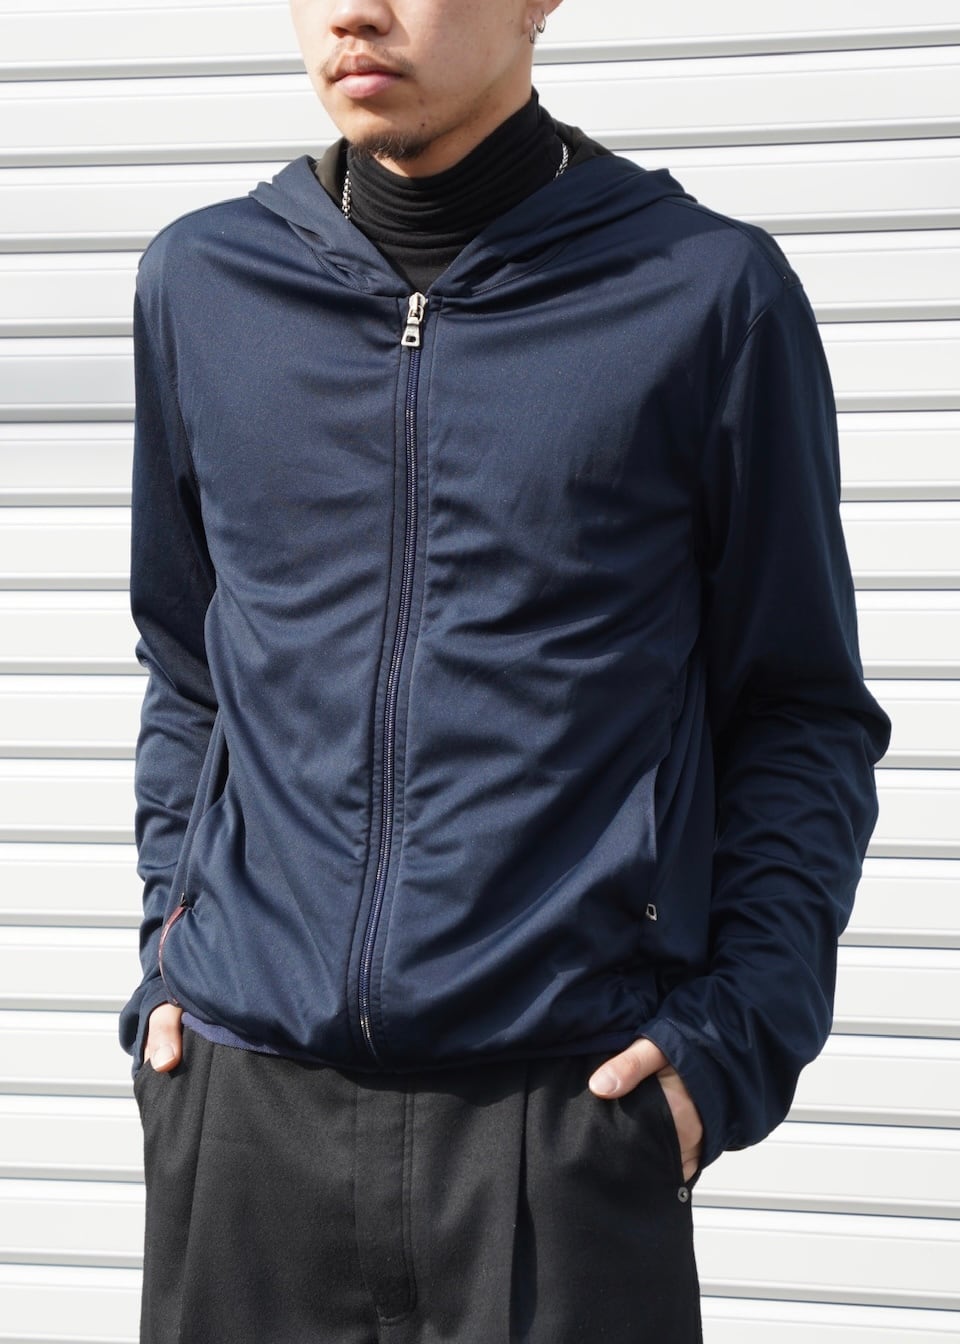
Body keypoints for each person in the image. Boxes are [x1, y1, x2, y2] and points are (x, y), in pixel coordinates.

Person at [119, 2, 891, 1340]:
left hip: (562, 1123)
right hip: (245, 1120)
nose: (354, 12)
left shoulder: (704, 293)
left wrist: (728, 1046)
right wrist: (169, 968)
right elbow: (191, 670)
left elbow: (798, 710)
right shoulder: (203, 285)